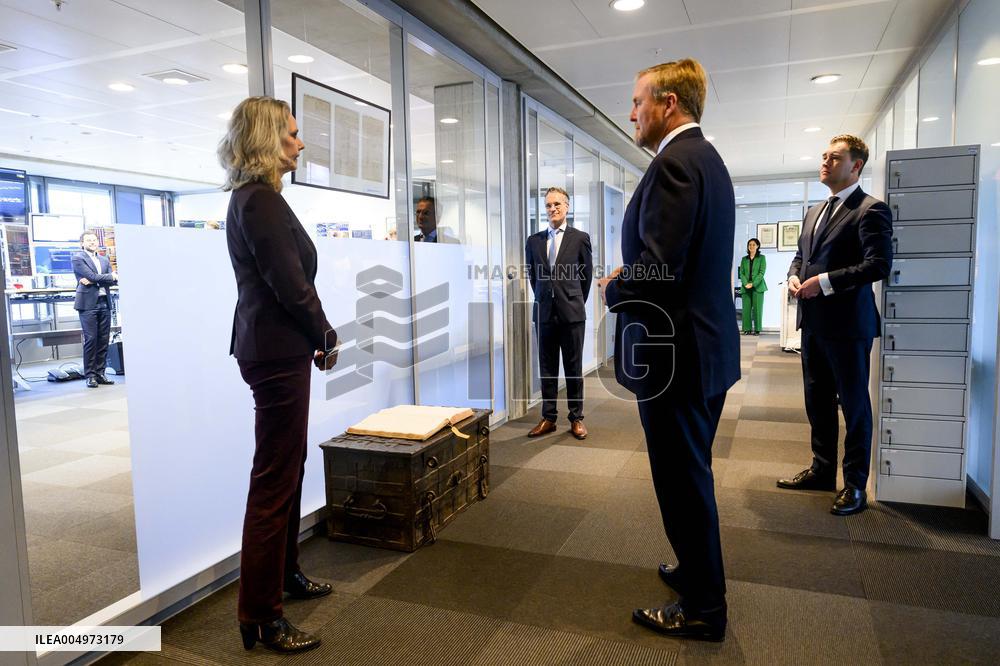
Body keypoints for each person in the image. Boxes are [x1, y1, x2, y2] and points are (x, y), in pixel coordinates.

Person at [599, 58, 739, 641]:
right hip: (702, 351)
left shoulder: (675, 165)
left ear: (669, 103)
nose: (631, 112)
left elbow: (659, 271)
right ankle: (694, 571)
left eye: (638, 101)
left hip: (676, 358)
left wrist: (615, 285)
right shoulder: (706, 159)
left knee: (683, 482)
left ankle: (706, 609)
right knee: (690, 474)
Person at [219, 96, 339, 654]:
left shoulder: (259, 199)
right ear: (269, 140)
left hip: (275, 349)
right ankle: (261, 615)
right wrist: (325, 333)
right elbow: (290, 284)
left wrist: (312, 335)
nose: (300, 141)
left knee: (287, 468)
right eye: (292, 133)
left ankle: (284, 577)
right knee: (274, 479)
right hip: (275, 354)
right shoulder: (259, 202)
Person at [777, 135, 892, 517]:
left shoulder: (870, 210)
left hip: (848, 327)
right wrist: (794, 277)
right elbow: (800, 256)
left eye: (835, 157)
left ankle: (855, 485)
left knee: (855, 406)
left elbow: (877, 266)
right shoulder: (814, 211)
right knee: (818, 401)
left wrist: (823, 282)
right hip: (813, 325)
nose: (825, 162)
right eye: (824, 156)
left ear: (856, 165)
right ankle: (822, 470)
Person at [525, 186, 593, 440]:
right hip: (544, 313)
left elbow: (586, 276)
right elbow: (534, 277)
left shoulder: (580, 238)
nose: (552, 209)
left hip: (572, 313)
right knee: (547, 367)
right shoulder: (534, 241)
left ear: (567, 206)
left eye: (557, 204)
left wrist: (573, 300)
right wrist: (546, 298)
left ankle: (576, 418)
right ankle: (548, 417)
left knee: (573, 368)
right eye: (548, 205)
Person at [72, 231, 118, 388]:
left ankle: (100, 373)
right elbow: (93, 276)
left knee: (103, 339)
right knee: (91, 339)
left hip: (104, 302)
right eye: (88, 240)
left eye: (94, 240)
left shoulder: (104, 260)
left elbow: (108, 282)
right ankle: (90, 375)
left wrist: (97, 279)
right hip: (87, 304)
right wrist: (108, 277)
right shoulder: (78, 258)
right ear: (82, 244)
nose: (92, 242)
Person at [737, 238, 767, 335]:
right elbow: (741, 273)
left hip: (758, 286)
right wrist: (746, 283)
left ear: (757, 246)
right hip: (746, 287)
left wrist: (753, 284)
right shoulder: (744, 259)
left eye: (754, 244)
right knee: (746, 309)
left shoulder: (762, 258)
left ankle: (757, 329)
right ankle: (747, 329)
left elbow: (761, 273)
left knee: (757, 309)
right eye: (750, 244)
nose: (751, 246)